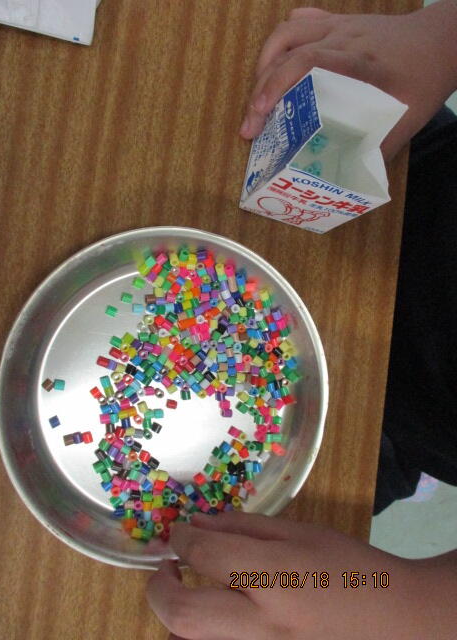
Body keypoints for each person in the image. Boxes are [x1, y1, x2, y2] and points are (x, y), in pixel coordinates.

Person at [146, 3, 457, 637]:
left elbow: (381, 602)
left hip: (392, 429)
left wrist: (402, 607)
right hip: (408, 167)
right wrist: (445, 36)